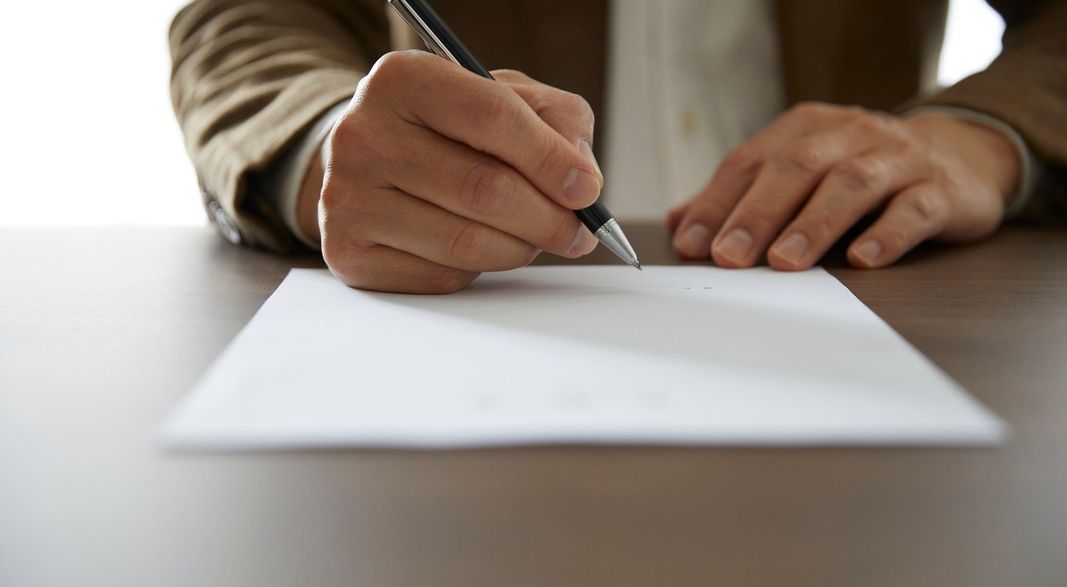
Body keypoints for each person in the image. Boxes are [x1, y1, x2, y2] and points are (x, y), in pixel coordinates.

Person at [169, 0, 1067, 294]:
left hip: (875, 273)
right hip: (474, 302)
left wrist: (978, 136)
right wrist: (333, 146)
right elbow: (247, 22)